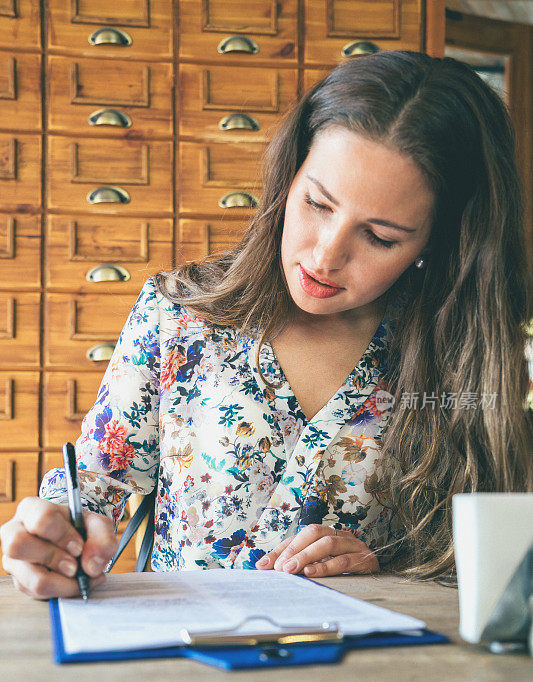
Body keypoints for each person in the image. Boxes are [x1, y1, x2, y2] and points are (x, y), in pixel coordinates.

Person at [2, 50, 532, 600]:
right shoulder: (180, 313)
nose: (326, 257)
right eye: (318, 204)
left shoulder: (464, 356)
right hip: (181, 666)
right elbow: (95, 483)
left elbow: (498, 561)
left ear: (439, 241)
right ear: (289, 177)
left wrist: (388, 565)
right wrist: (52, 535)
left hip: (375, 678)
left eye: (381, 236)